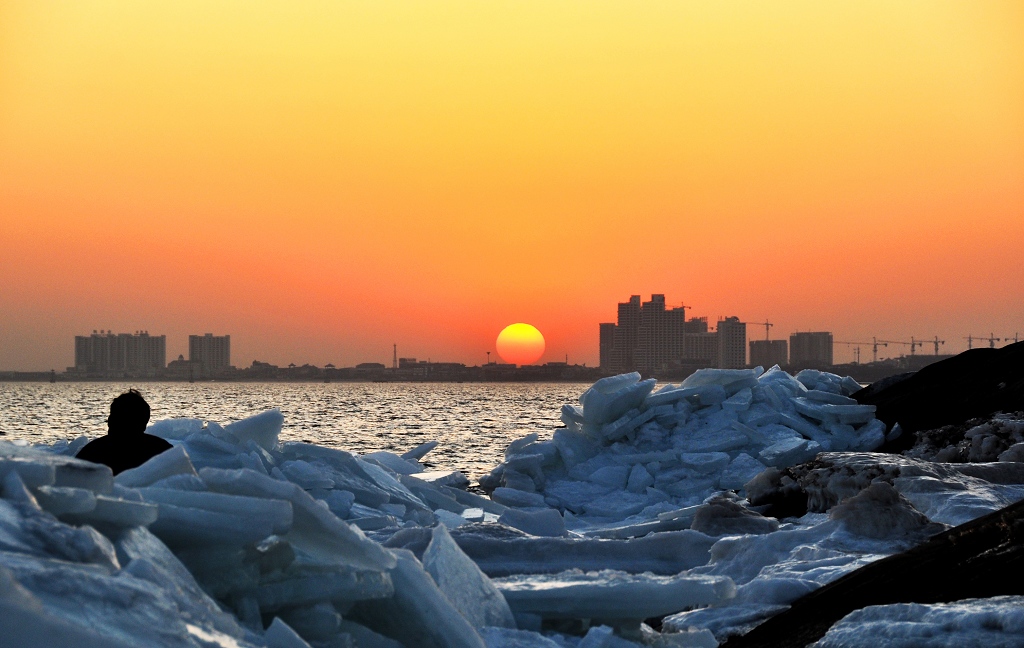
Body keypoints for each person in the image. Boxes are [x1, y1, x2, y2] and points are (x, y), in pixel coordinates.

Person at [76, 389, 172, 475]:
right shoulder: (163, 451)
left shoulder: (92, 452)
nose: (109, 421)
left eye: (115, 417)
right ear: (144, 423)